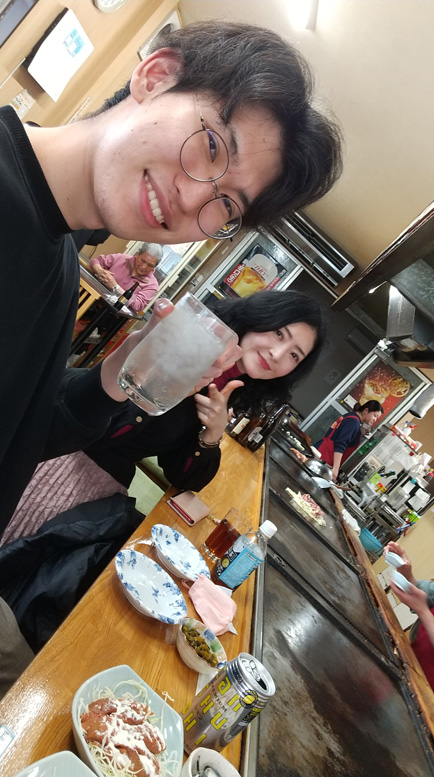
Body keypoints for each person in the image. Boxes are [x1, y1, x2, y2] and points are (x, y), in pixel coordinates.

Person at [0, 20, 342, 694]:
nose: (192, 197)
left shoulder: (59, 258)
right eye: (211, 146)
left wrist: (118, 373)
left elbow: (27, 431)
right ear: (154, 76)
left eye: (224, 203)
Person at [3, 289, 325, 546]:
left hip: (97, 492)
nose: (277, 354)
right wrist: (163, 387)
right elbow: (98, 416)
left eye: (294, 355)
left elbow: (183, 478)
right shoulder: (193, 340)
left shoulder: (233, 394)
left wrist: (212, 435)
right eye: (279, 333)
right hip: (57, 452)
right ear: (260, 316)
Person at [387, 541, 434, 698]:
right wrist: (406, 575)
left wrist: (423, 611)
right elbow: (429, 596)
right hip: (409, 664)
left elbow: (424, 606)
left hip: (427, 698)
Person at [315, 400, 383, 480]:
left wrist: (358, 431)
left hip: (320, 451)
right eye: (375, 415)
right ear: (366, 411)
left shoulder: (351, 417)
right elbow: (340, 444)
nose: (375, 419)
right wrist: (336, 468)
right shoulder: (354, 423)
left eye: (377, 418)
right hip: (325, 458)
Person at [89, 243, 162, 312]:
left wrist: (115, 287)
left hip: (114, 314)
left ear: (154, 267)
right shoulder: (122, 258)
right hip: (93, 298)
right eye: (142, 261)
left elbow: (138, 305)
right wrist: (100, 271)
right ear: (137, 254)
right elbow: (96, 261)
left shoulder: (152, 285)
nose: (143, 267)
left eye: (150, 265)